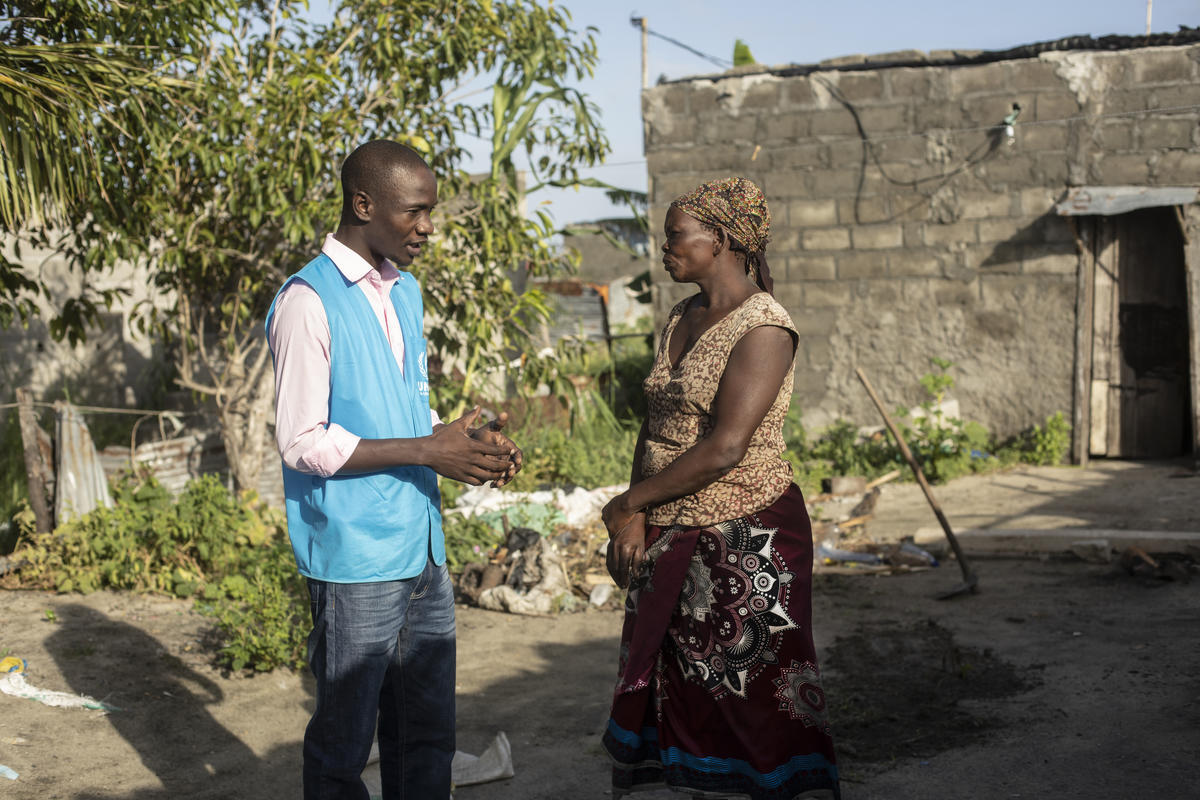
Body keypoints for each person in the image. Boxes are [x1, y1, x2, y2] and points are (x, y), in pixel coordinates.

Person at [265, 139, 522, 800]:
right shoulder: (307, 301)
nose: (427, 227)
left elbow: (412, 409)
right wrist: (428, 450)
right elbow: (302, 443)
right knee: (343, 746)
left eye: (429, 212)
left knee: (427, 733)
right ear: (363, 204)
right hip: (355, 560)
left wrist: (466, 441)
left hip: (421, 547)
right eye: (415, 212)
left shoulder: (403, 293)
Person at [600, 177, 840, 800]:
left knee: (750, 686)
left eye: (675, 235)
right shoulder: (682, 316)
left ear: (723, 240)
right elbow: (655, 427)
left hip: (746, 530)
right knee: (680, 679)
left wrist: (630, 503)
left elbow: (725, 447)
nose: (664, 247)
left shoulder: (764, 328)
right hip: (670, 521)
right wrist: (634, 516)